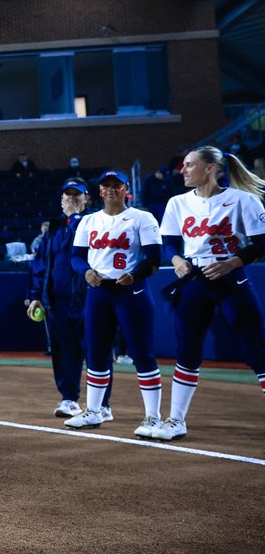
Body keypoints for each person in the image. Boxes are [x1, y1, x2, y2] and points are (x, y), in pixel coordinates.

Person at [155, 146, 265, 442]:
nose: (183, 170)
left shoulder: (244, 200)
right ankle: (175, 420)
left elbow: (261, 242)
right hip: (194, 281)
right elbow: (170, 244)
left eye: (189, 164)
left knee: (256, 349)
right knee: (187, 351)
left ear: (209, 168)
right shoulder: (177, 203)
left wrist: (232, 262)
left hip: (231, 280)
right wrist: (176, 260)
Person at [65, 171, 163, 437]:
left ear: (125, 190)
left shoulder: (142, 218)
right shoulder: (89, 220)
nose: (111, 190)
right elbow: (76, 257)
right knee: (96, 352)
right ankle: (95, 411)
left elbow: (155, 257)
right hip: (99, 291)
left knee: (142, 353)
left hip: (132, 291)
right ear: (99, 191)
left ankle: (153, 417)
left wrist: (136, 274)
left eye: (116, 186)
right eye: (106, 186)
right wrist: (85, 271)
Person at [26, 178, 111, 419]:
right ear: (61, 199)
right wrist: (35, 296)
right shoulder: (53, 227)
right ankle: (69, 398)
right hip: (57, 300)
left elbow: (80, 245)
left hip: (88, 297)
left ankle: (103, 404)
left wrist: (75, 218)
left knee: (96, 350)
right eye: (68, 195)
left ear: (87, 199)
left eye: (78, 195)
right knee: (64, 352)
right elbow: (40, 263)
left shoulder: (95, 221)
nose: (72, 199)